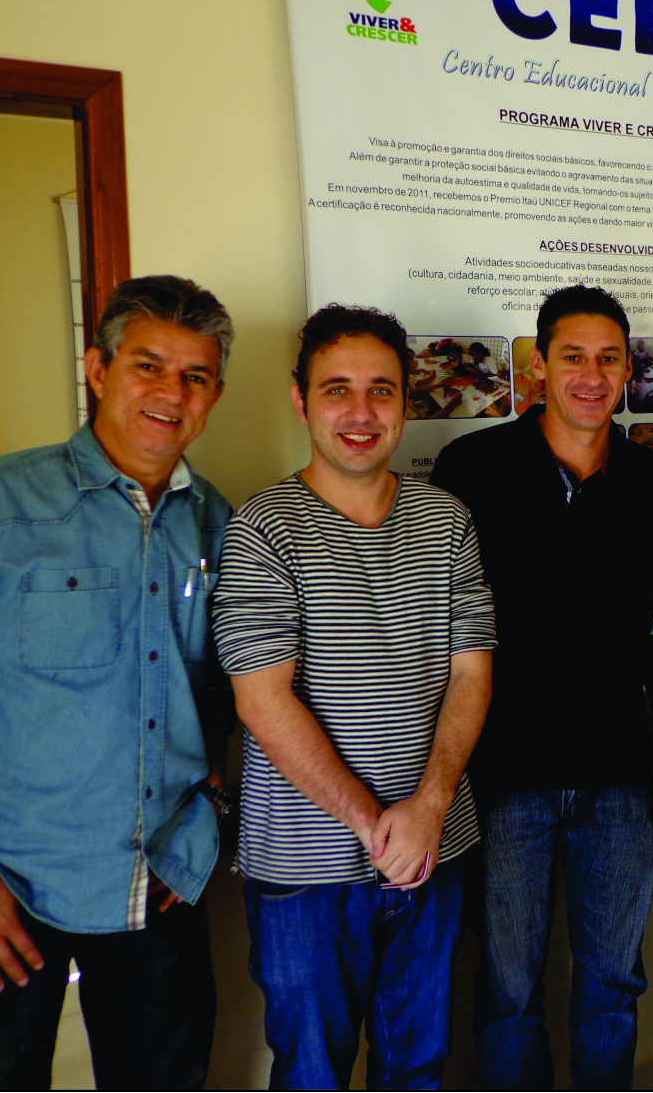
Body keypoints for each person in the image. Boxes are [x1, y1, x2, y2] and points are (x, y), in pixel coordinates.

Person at [0, 275, 235, 1089]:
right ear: (97, 368)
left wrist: (213, 810)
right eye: (148, 365)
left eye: (195, 375)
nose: (171, 393)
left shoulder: (219, 524)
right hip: (1, 888)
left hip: (159, 884)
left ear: (215, 394)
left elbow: (238, 693)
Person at [212, 304, 495, 1089]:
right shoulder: (263, 528)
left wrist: (429, 806)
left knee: (420, 1067)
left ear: (407, 402)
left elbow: (472, 672)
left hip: (435, 850)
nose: (361, 412)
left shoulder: (446, 521)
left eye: (382, 390)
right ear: (301, 401)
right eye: (337, 389)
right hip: (306, 872)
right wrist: (378, 826)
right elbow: (262, 700)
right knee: (312, 1072)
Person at [430, 284, 653, 1090]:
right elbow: (443, 625)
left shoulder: (646, 477)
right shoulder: (473, 468)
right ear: (538, 364)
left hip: (617, 766)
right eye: (572, 355)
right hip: (505, 773)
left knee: (611, 984)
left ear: (627, 369)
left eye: (608, 357)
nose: (590, 373)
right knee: (509, 993)